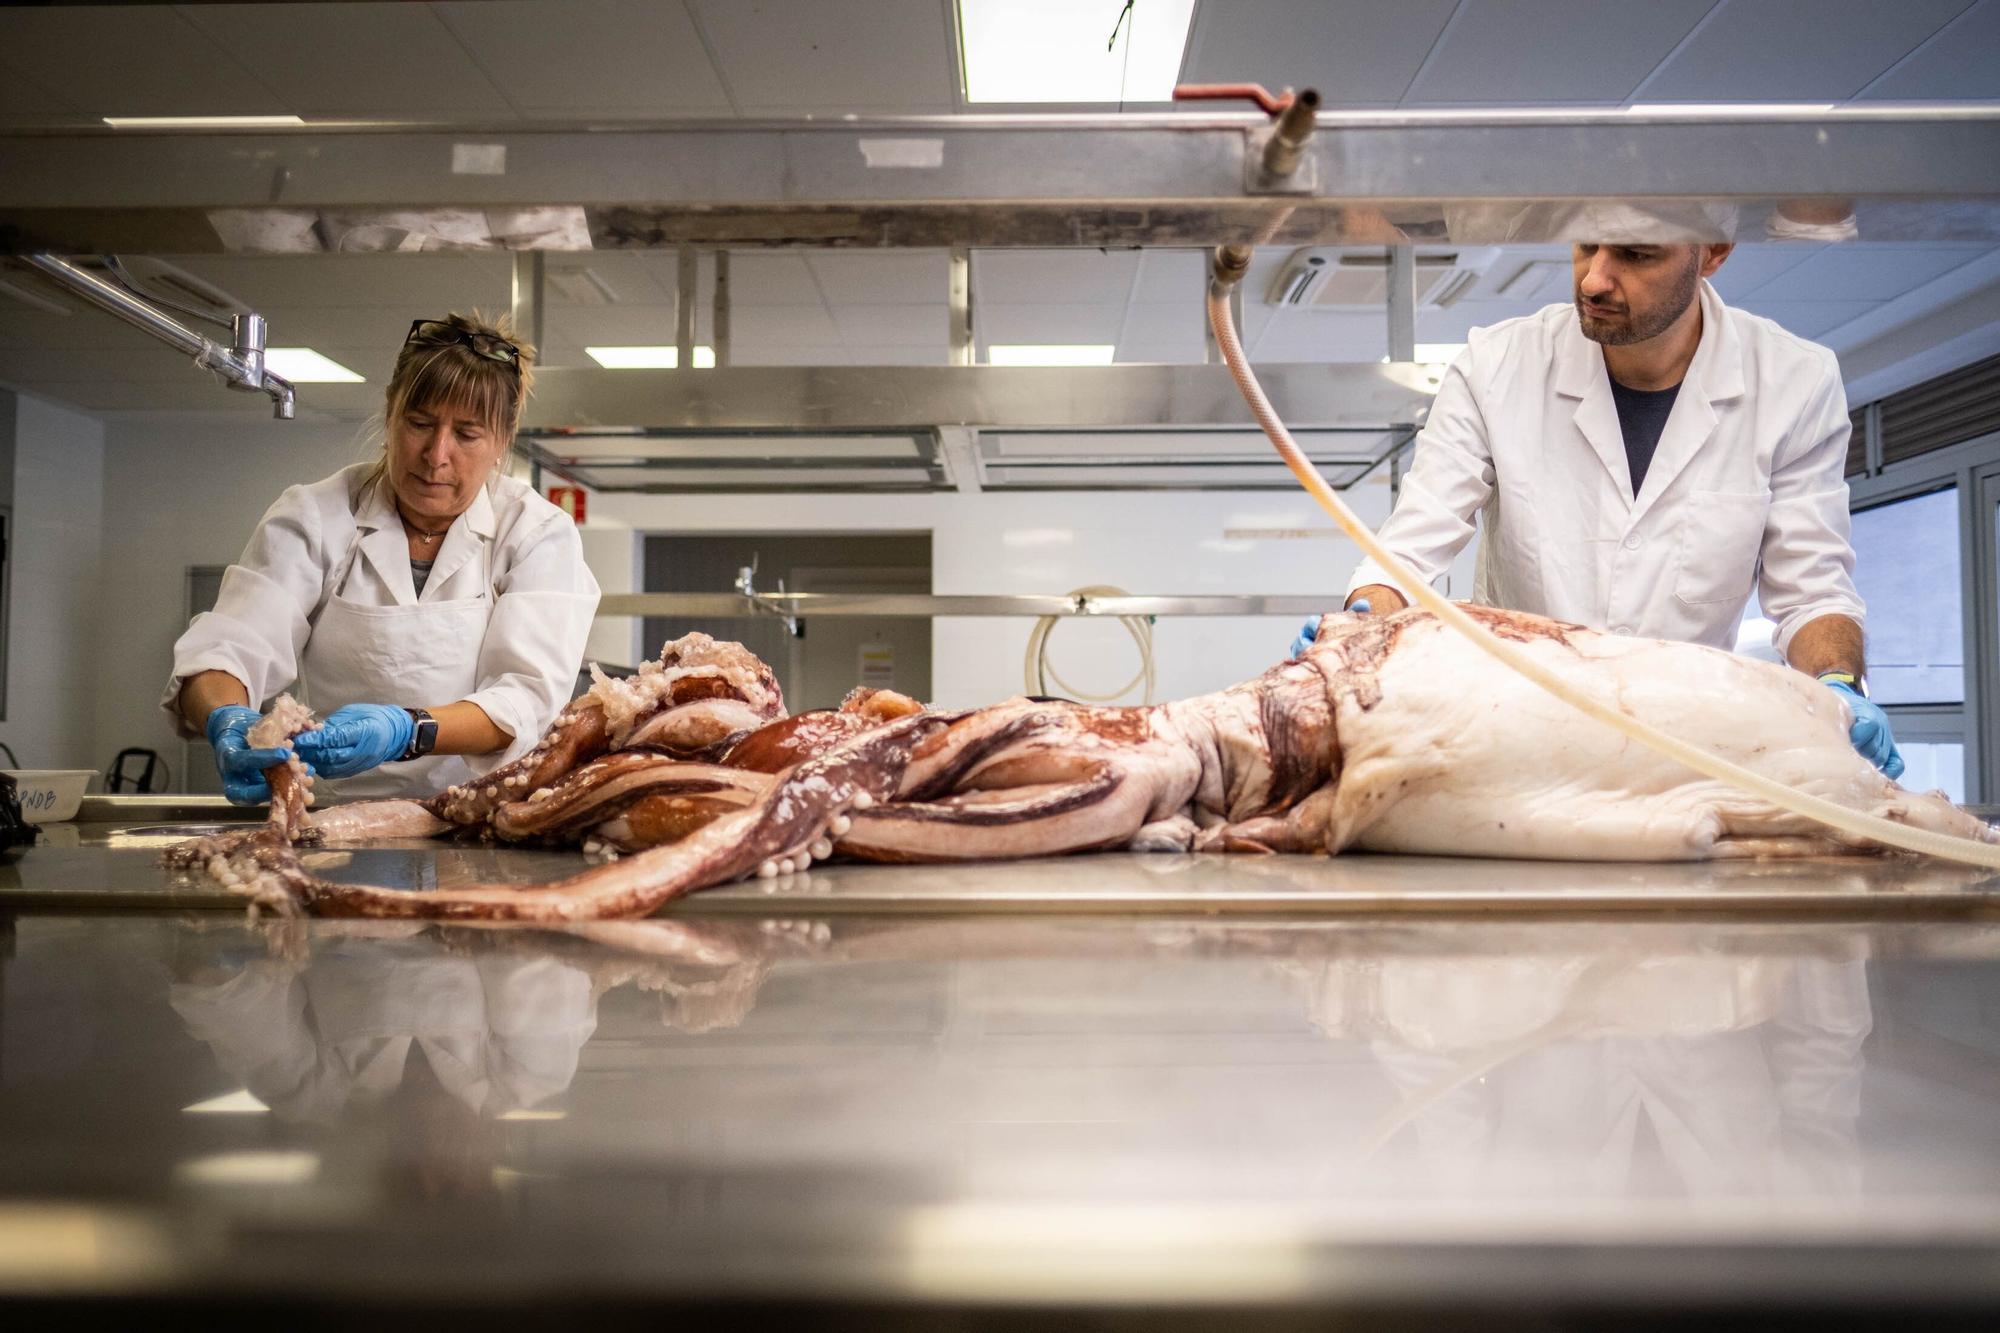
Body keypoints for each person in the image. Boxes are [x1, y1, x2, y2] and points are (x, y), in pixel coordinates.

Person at [1291, 228, 1901, 778]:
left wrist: (1838, 684)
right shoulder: (1495, 367)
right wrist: (1361, 629)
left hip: (1684, 751)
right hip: (1514, 737)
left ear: (1713, 252)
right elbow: (1408, 552)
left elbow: (1812, 588)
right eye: (1586, 246)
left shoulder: (1794, 382)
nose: (1594, 280)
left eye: (1637, 254)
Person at [166, 313, 601, 801]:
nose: (437, 455)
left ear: (502, 441)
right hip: (334, 815)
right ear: (390, 415)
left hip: (479, 814)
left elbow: (525, 700)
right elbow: (232, 644)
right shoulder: (317, 515)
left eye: (467, 434)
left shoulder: (535, 533)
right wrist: (227, 717)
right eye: (420, 424)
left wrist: (406, 730)